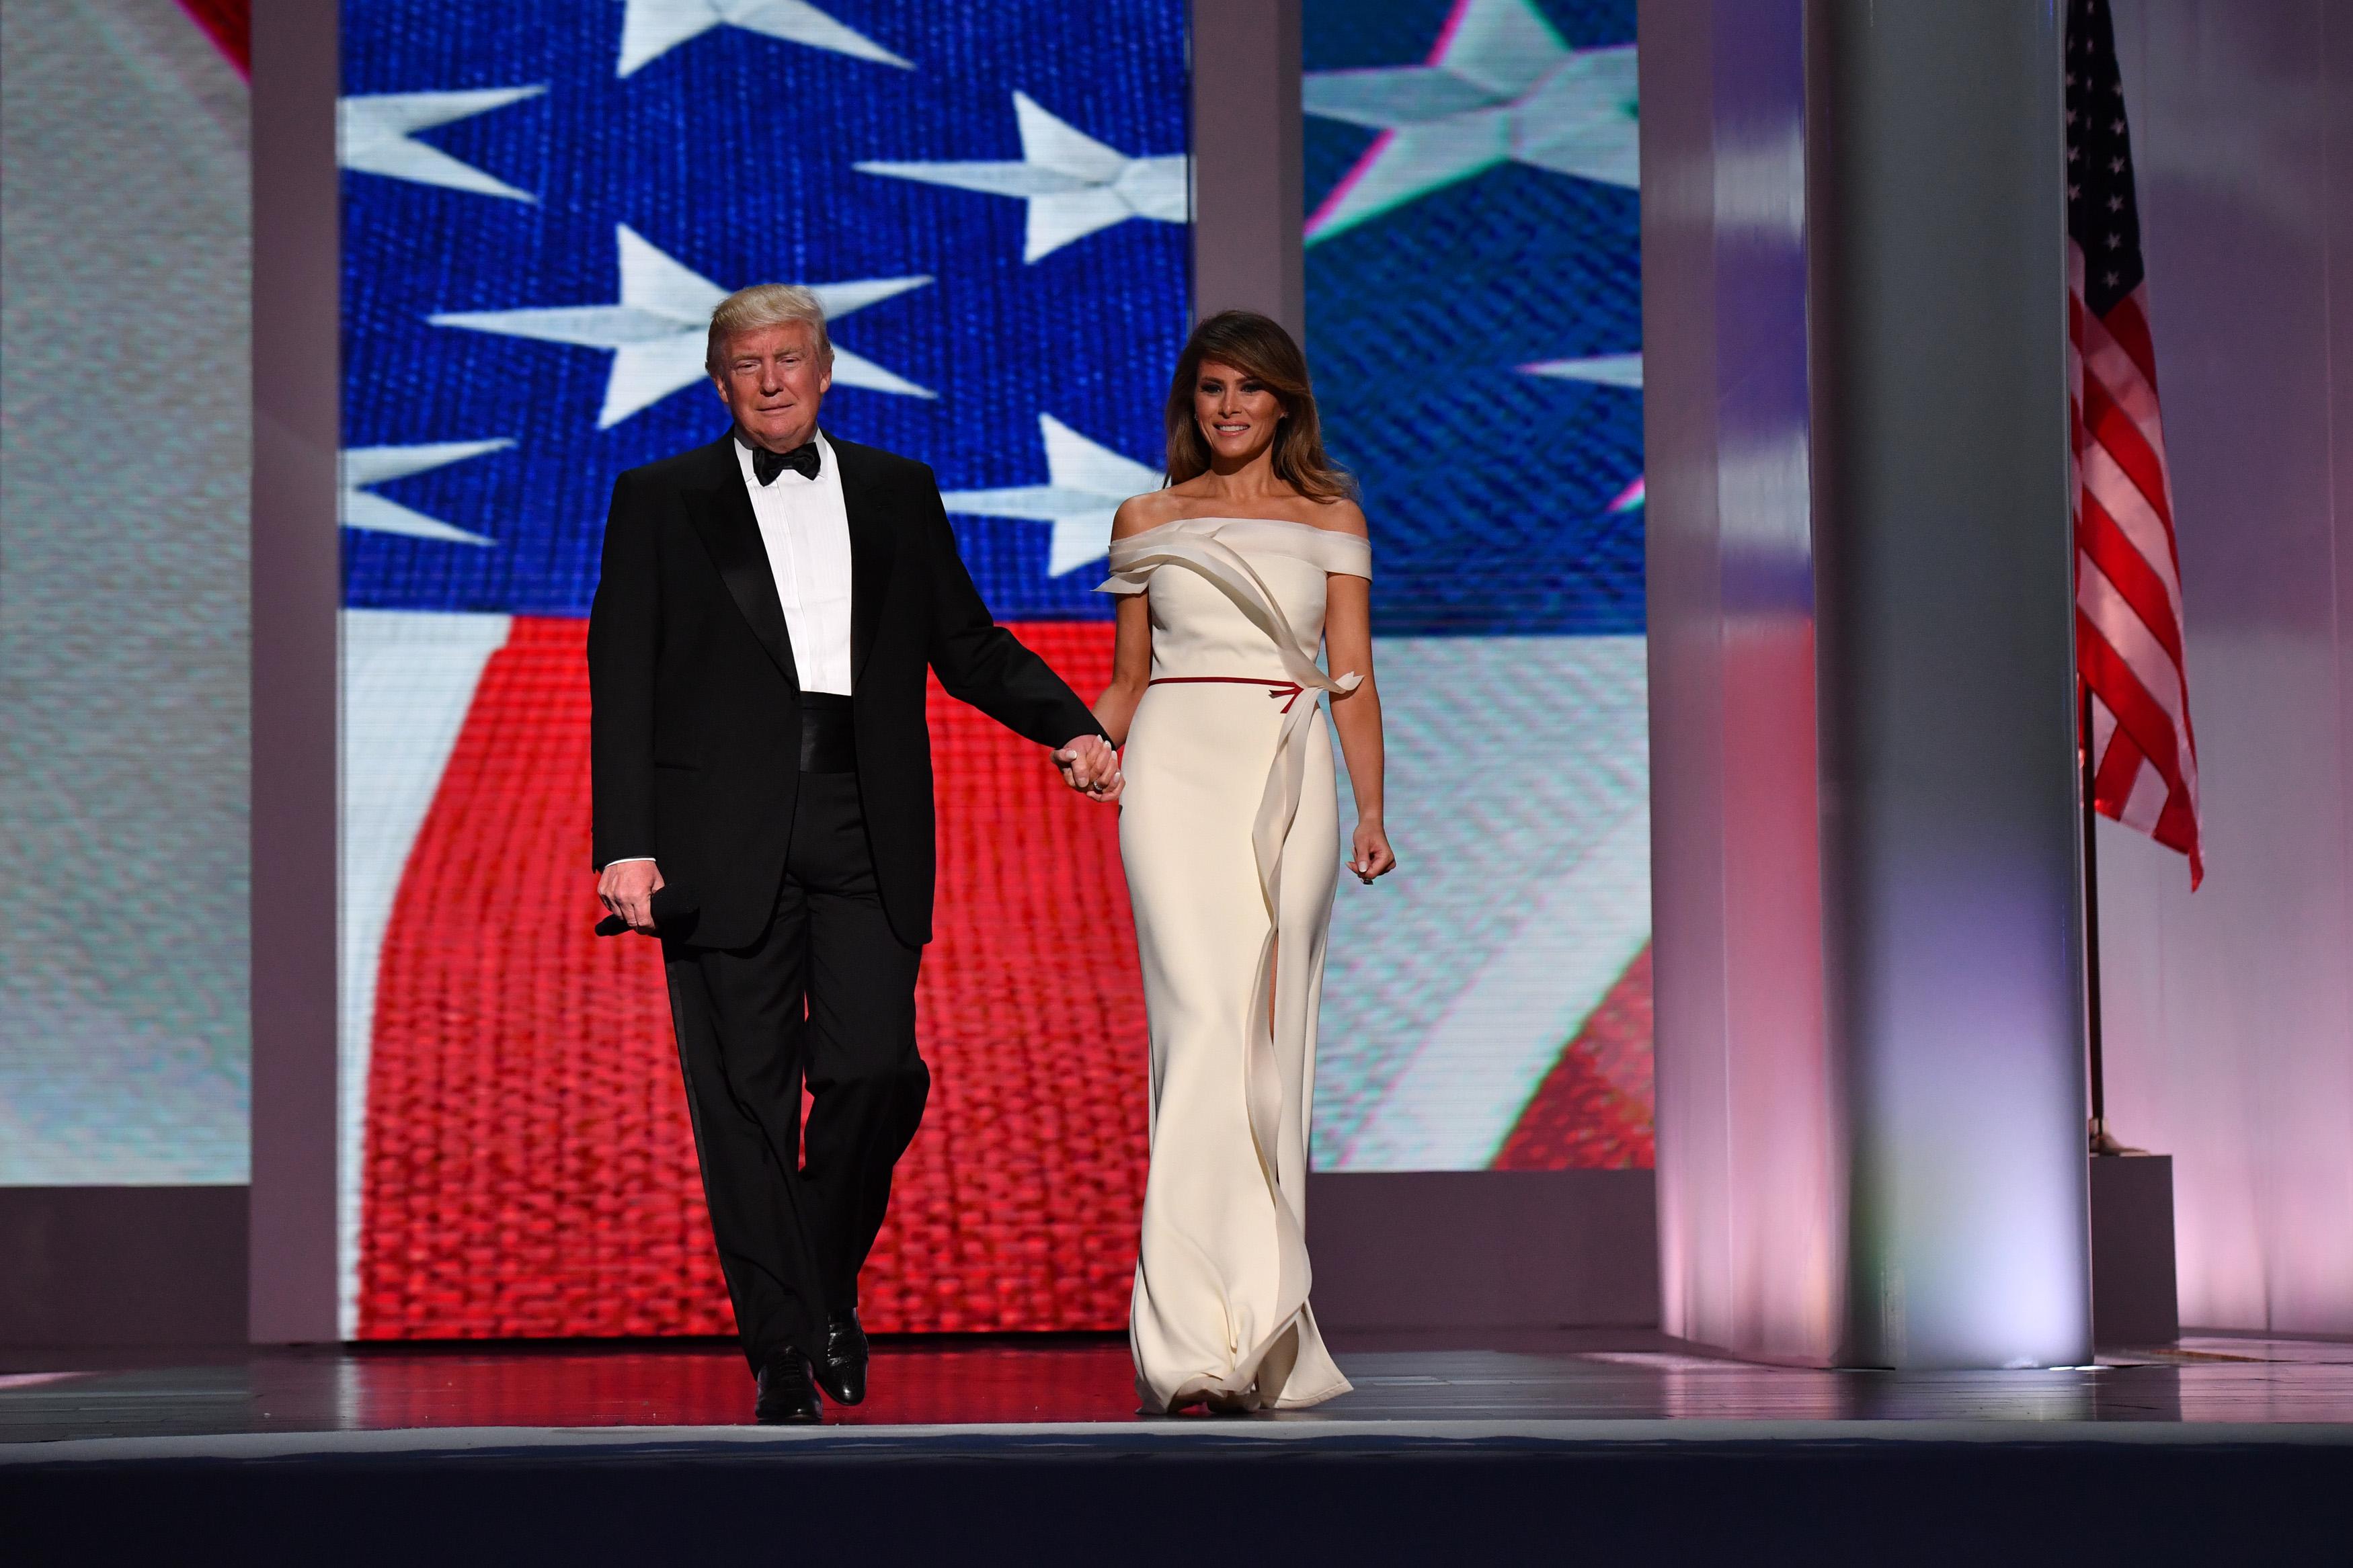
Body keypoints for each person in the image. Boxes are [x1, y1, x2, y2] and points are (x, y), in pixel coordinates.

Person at [587, 284, 1121, 1424]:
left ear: (826, 371)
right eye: (747, 363)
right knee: (746, 1103)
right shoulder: (658, 499)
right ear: (718, 382)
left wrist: (1071, 723)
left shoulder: (897, 490)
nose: (771, 379)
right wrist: (624, 846)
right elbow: (620, 675)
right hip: (716, 841)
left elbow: (964, 641)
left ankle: (824, 1277)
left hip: (866, 817)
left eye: (789, 358)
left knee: (877, 1070)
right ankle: (782, 1348)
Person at [1091, 310, 1396, 1413]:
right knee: (1202, 1028)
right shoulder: (1145, 516)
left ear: (1284, 405)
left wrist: (1371, 807)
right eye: (1212, 388)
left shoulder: (1331, 519)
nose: (1229, 407)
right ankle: (1187, 1344)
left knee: (1270, 1035)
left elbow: (1351, 673)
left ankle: (1257, 1331)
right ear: (1195, 400)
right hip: (1173, 770)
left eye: (1250, 390)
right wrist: (1091, 738)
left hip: (1291, 765)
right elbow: (1128, 678)